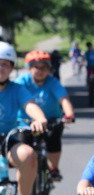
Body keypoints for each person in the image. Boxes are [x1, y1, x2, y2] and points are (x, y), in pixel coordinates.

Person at [0, 41, 49, 195]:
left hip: (7, 140)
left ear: (12, 67)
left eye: (5, 64)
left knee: (29, 155)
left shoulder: (17, 89)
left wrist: (39, 119)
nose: (0, 67)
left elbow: (30, 105)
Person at [16, 50, 75, 180]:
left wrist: (69, 114)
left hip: (50, 120)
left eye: (44, 67)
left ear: (49, 69)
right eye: (36, 67)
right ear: (29, 68)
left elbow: (64, 99)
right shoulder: (21, 82)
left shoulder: (52, 82)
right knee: (23, 144)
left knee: (54, 138)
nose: (40, 71)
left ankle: (53, 168)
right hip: (25, 121)